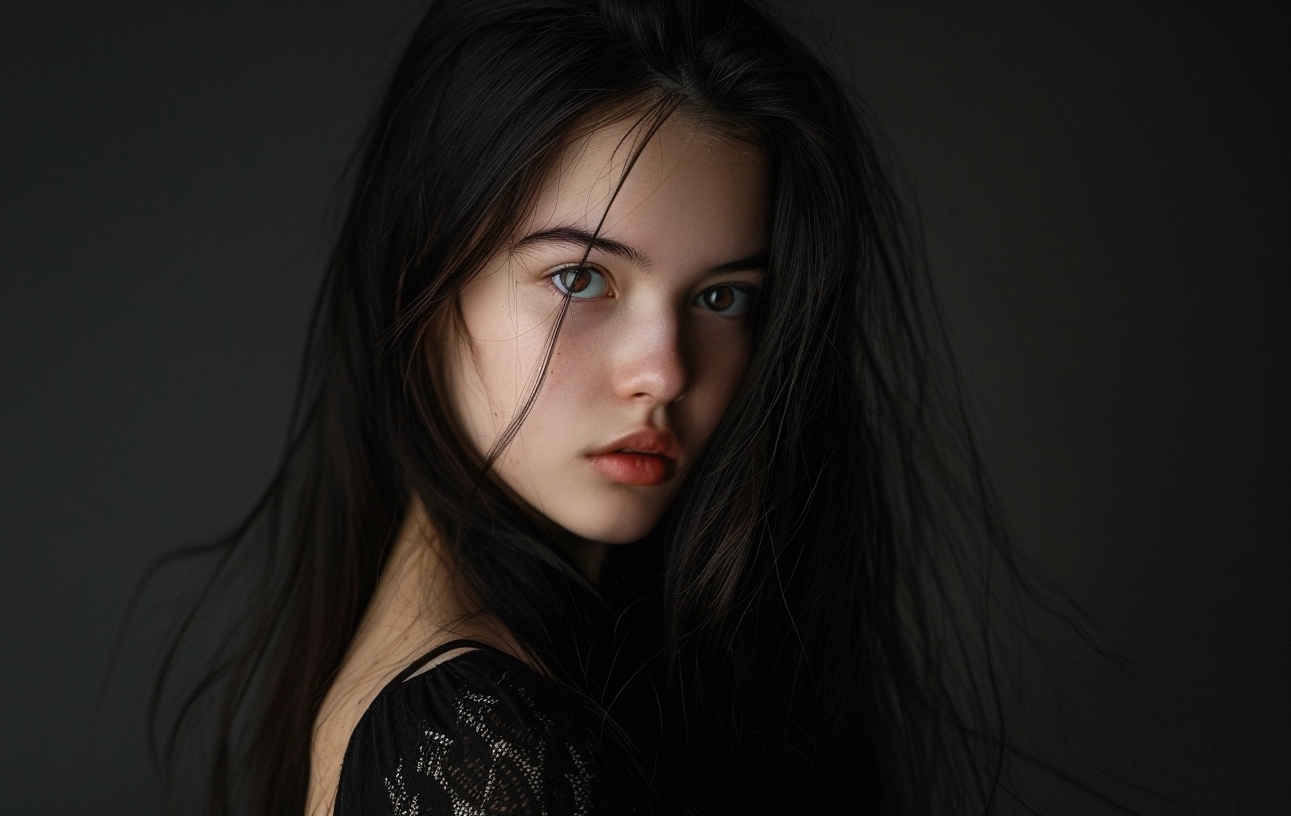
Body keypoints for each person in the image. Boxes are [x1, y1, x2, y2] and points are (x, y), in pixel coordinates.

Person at [143, 0, 1040, 813]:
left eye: (723, 297)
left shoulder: (558, 674)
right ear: (425, 280)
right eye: (580, 278)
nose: (664, 373)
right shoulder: (472, 746)